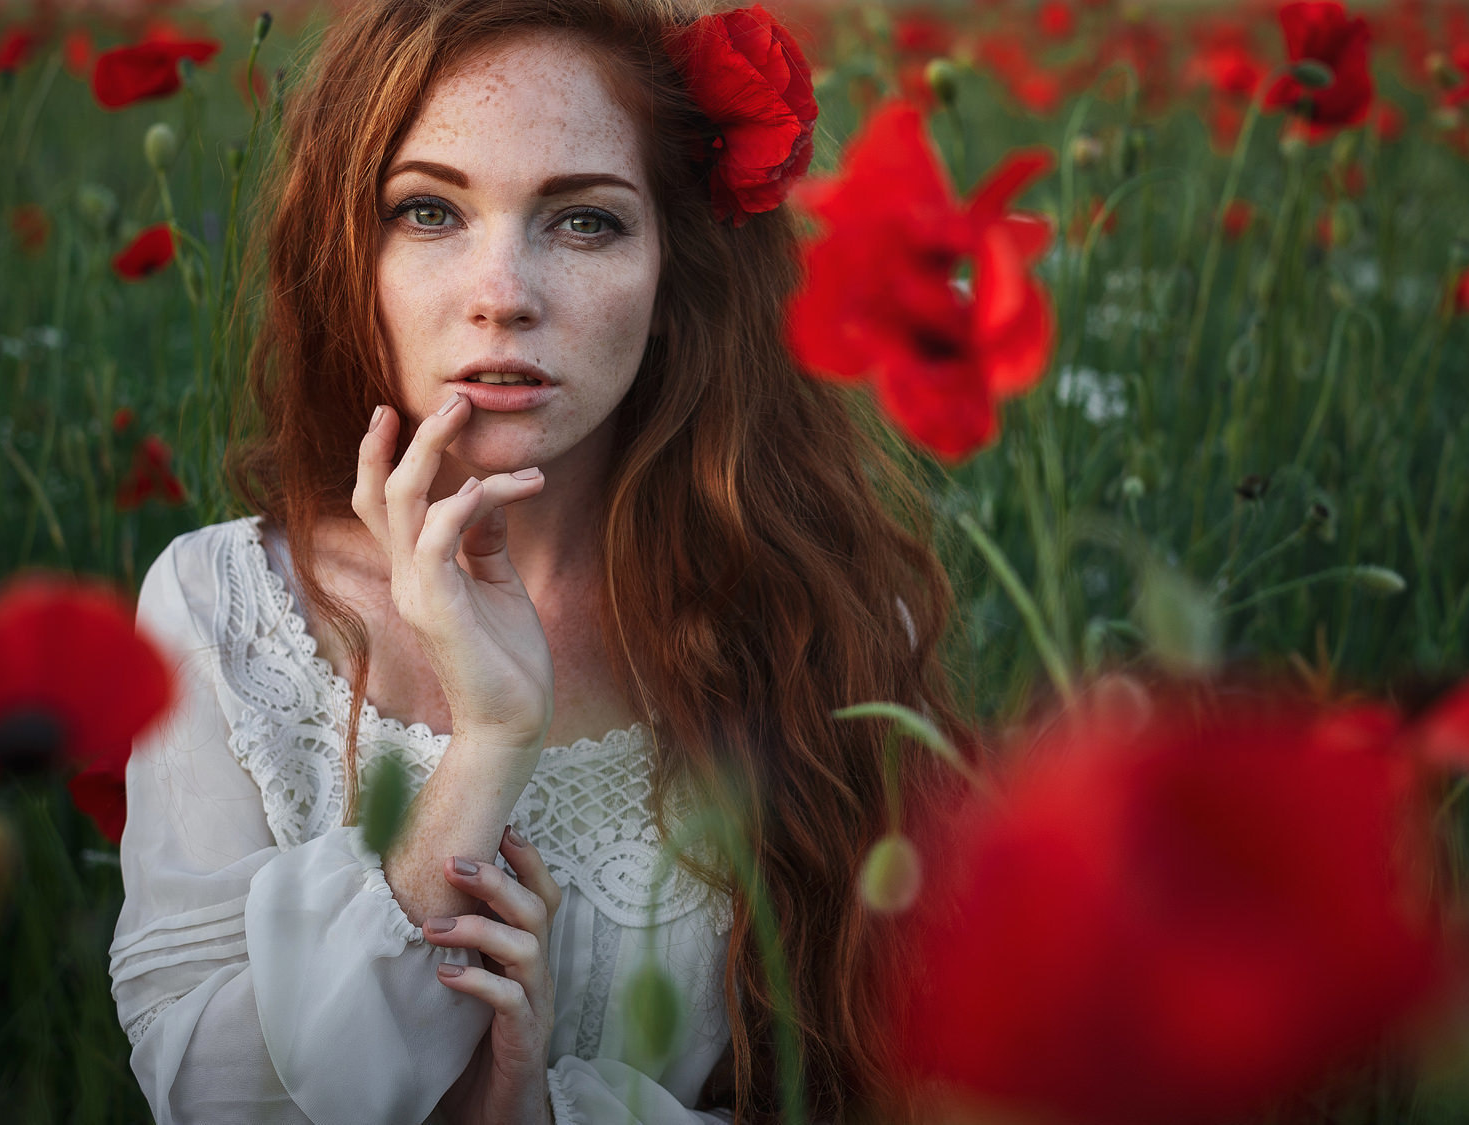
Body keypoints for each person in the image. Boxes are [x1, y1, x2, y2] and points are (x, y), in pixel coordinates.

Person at [106, 0, 975, 1122]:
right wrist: (489, 746)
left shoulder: (827, 620)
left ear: (676, 278)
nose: (501, 293)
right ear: (349, 256)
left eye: (584, 223)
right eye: (429, 211)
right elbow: (202, 1093)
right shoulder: (221, 609)